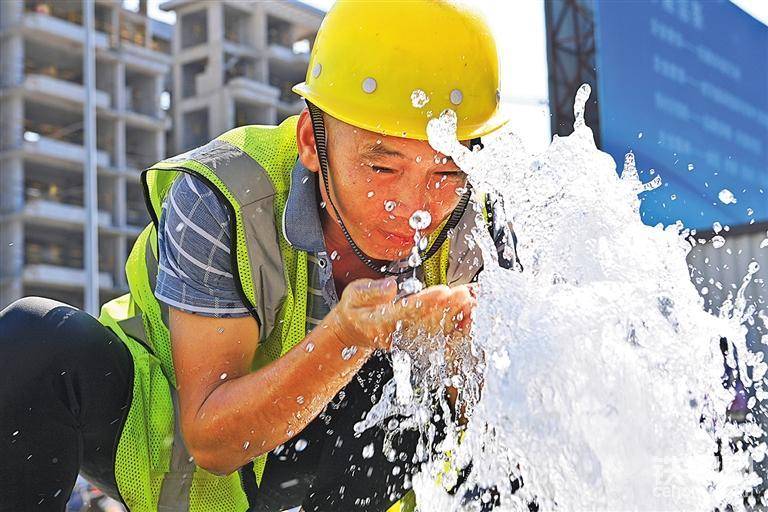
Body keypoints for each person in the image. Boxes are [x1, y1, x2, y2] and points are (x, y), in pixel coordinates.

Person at [0, 1, 516, 510]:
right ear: (312, 143)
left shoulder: (486, 230)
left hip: (338, 479)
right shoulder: (221, 196)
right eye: (382, 169)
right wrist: (346, 337)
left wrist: (463, 369)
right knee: (35, 339)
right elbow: (211, 440)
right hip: (175, 456)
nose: (412, 207)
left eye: (446, 174)